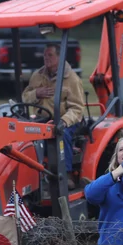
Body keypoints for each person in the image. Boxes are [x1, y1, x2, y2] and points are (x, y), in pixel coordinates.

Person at [21, 43, 86, 188]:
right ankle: (33, 174)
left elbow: (76, 108)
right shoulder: (37, 75)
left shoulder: (72, 79)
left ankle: (67, 174)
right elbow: (25, 97)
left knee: (62, 135)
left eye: (50, 55)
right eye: (45, 55)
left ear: (60, 57)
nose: (46, 58)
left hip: (66, 120)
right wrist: (36, 94)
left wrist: (63, 121)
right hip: (42, 118)